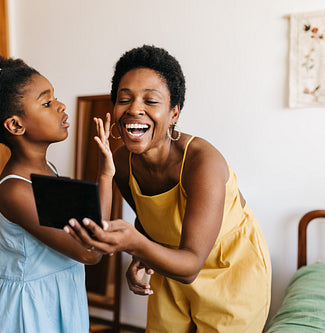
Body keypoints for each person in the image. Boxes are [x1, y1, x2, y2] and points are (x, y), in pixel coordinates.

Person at [65, 45, 272, 332]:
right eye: (125, 99)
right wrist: (140, 256)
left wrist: (135, 244)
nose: (135, 108)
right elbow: (149, 221)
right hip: (172, 266)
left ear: (174, 113)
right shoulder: (122, 162)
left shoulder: (202, 162)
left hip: (229, 273)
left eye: (151, 101)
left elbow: (190, 267)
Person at [0, 49, 104, 333]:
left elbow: (92, 232)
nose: (61, 106)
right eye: (47, 103)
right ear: (16, 125)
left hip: (59, 293)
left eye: (54, 98)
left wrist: (107, 174)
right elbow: (89, 251)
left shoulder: (49, 170)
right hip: (29, 308)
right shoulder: (15, 191)